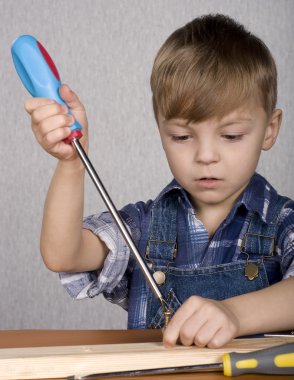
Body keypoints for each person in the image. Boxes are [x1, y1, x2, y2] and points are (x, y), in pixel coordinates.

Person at [24, 14, 294, 348]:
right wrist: (70, 164)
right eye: (182, 136)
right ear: (161, 130)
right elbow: (63, 255)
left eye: (231, 135)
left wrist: (234, 314)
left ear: (270, 129)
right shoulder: (144, 227)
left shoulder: (283, 223)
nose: (206, 155)